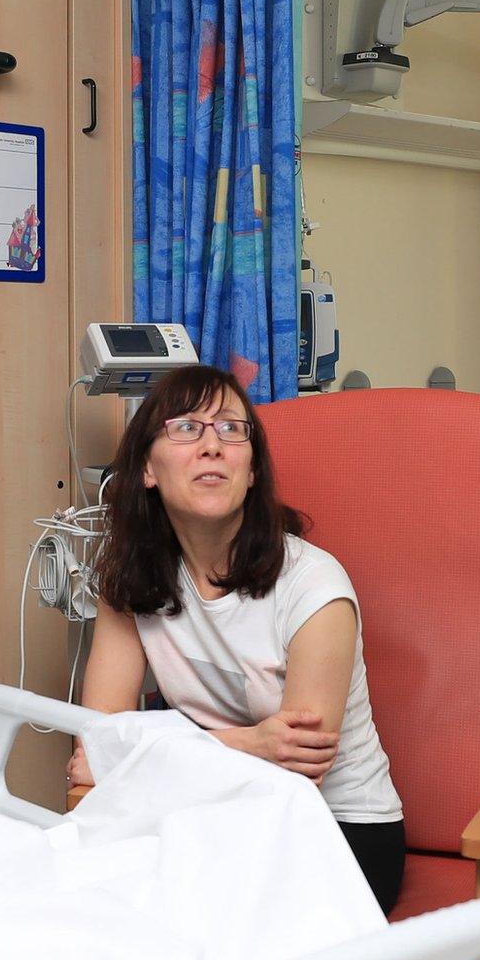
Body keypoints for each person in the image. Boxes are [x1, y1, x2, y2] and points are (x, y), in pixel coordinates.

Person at [66, 365, 405, 915]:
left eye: (230, 429)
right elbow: (98, 741)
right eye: (186, 428)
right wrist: (252, 743)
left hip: (337, 834)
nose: (211, 447)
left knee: (176, 922)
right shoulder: (130, 578)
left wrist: (141, 754)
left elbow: (295, 770)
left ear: (251, 472)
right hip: (204, 813)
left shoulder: (315, 588)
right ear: (148, 468)